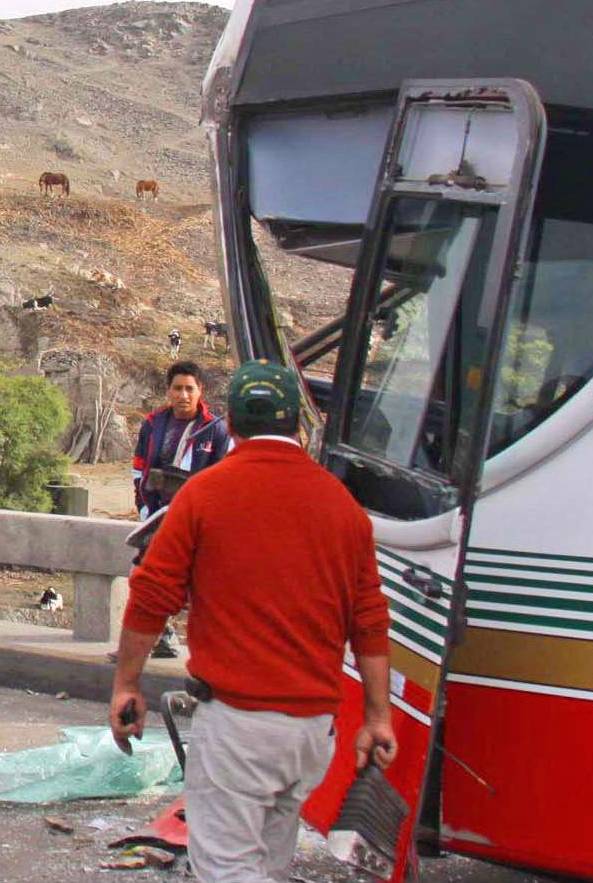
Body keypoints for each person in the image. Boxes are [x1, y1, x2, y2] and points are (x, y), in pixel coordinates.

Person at [109, 360, 397, 883]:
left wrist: (127, 683)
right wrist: (377, 717)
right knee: (270, 861)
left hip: (239, 725)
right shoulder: (344, 507)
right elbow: (371, 618)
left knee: (227, 868)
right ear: (299, 427)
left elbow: (151, 595)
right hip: (312, 733)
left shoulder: (203, 494)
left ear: (232, 426)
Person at [130, 360, 233, 659]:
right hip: (158, 514)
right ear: (168, 391)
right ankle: (161, 638)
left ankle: (211, 649)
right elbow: (139, 468)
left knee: (199, 585)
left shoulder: (216, 432)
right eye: (177, 388)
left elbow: (222, 478)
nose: (183, 395)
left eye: (190, 389)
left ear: (201, 391)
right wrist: (143, 507)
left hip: (197, 517)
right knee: (146, 575)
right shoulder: (153, 425)